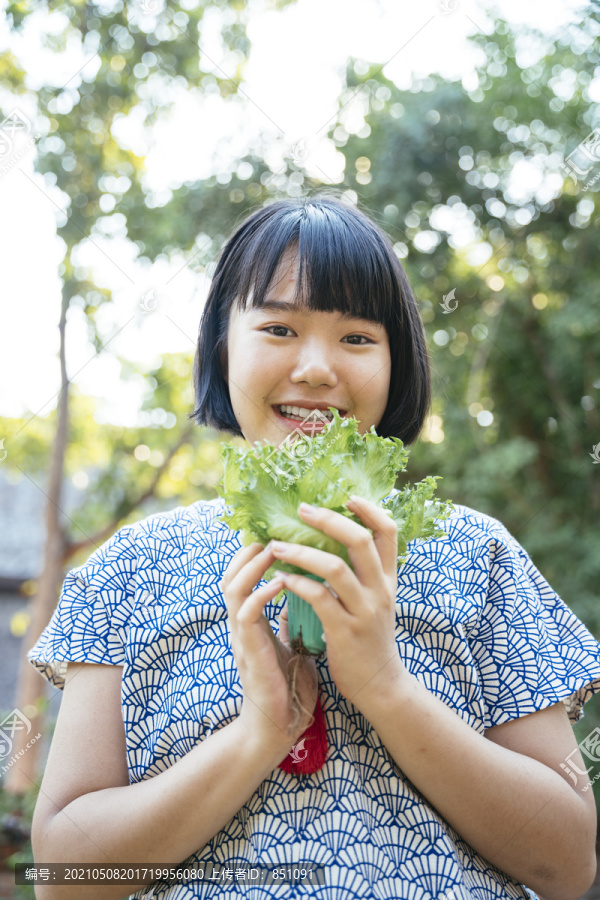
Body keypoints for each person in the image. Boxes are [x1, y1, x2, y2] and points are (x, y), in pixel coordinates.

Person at [28, 193, 600, 900]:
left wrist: (385, 688)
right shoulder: (129, 570)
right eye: (278, 327)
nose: (317, 368)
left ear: (398, 364)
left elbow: (570, 866)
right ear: (220, 346)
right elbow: (64, 878)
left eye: (358, 338)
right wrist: (258, 734)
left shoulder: (477, 556)